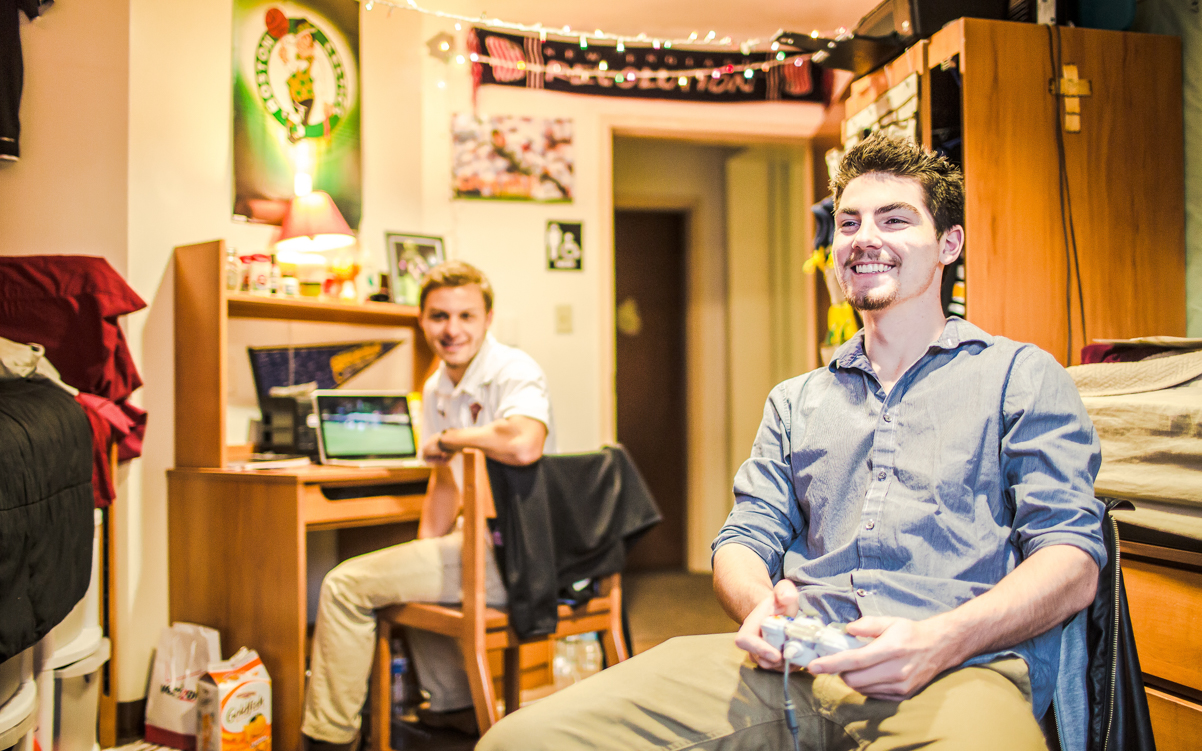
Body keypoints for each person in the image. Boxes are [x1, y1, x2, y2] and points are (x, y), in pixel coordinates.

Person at [478, 132, 1105, 750]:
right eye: (850, 221)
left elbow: (1072, 562)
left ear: (948, 243)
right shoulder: (796, 400)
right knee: (524, 738)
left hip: (954, 670)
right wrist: (760, 605)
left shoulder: (1019, 376)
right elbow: (745, 537)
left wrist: (948, 637)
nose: (865, 238)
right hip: (792, 665)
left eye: (895, 219)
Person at [302, 260, 555, 750]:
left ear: (488, 319)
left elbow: (525, 442)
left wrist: (454, 437)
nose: (452, 329)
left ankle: (328, 740)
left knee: (342, 587)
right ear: (421, 320)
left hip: (520, 554)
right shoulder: (437, 385)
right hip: (475, 547)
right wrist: (421, 556)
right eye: (439, 316)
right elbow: (444, 485)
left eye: (466, 316)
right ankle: (454, 708)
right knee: (407, 571)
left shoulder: (512, 369)